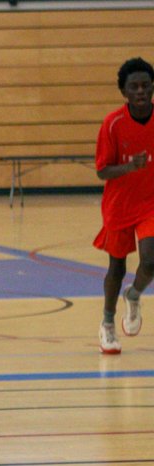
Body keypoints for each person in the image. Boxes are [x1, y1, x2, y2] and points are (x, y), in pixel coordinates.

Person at [94, 57, 154, 354]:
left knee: (151, 260)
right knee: (116, 267)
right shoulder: (113, 123)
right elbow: (102, 171)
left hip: (150, 204)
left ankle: (135, 294)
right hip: (119, 204)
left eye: (145, 85)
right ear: (124, 92)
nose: (141, 91)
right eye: (134, 86)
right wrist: (131, 166)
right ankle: (107, 323)